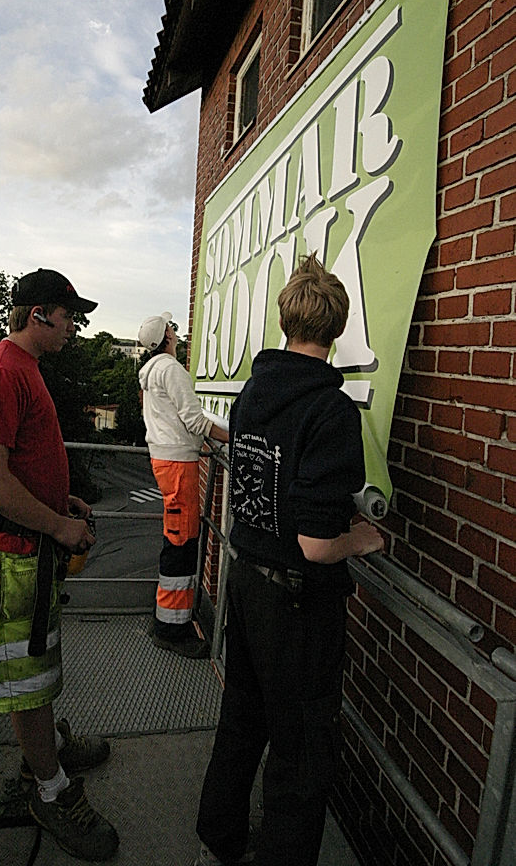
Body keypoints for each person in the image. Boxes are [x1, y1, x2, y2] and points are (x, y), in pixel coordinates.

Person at [193, 254, 385, 866]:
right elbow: (318, 545)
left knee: (242, 719)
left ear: (285, 321)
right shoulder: (331, 411)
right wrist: (363, 539)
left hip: (246, 583)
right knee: (300, 754)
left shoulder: (255, 391)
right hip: (298, 604)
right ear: (337, 328)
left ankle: (219, 833)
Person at [0, 267, 119, 862]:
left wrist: (60, 500)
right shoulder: (3, 371)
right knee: (25, 683)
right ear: (39, 316)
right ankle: (48, 790)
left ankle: (47, 746)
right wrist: (58, 525)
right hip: (11, 558)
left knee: (38, 666)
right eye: (70, 316)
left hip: (29, 552)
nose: (75, 327)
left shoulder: (24, 369)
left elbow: (21, 461)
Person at [138, 312, 229, 659]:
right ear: (168, 337)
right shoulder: (171, 370)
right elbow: (194, 420)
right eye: (172, 328)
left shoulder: (149, 372)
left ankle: (170, 620)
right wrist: (235, 437)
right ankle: (171, 630)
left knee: (179, 540)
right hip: (178, 464)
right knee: (181, 543)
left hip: (167, 461)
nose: (176, 331)